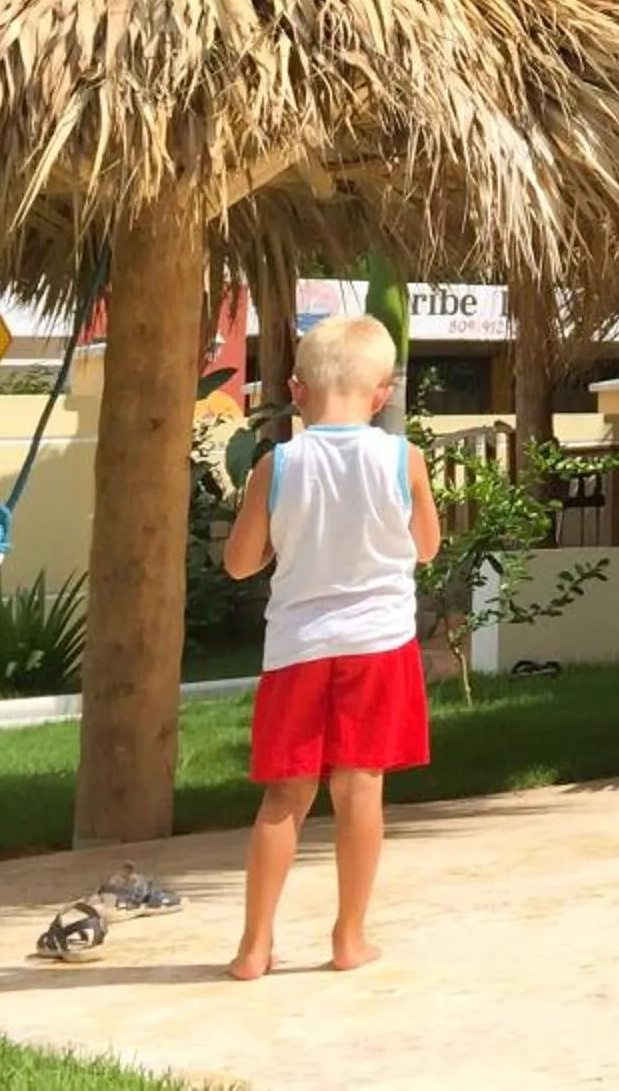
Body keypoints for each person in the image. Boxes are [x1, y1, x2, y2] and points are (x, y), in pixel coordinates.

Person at [220, 312, 440, 979]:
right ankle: (349, 938)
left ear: (296, 388)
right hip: (379, 644)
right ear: (381, 393)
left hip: (297, 649)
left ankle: (254, 947)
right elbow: (427, 548)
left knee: (284, 799)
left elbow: (238, 563)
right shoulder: (406, 460)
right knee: (360, 792)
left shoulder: (275, 465)